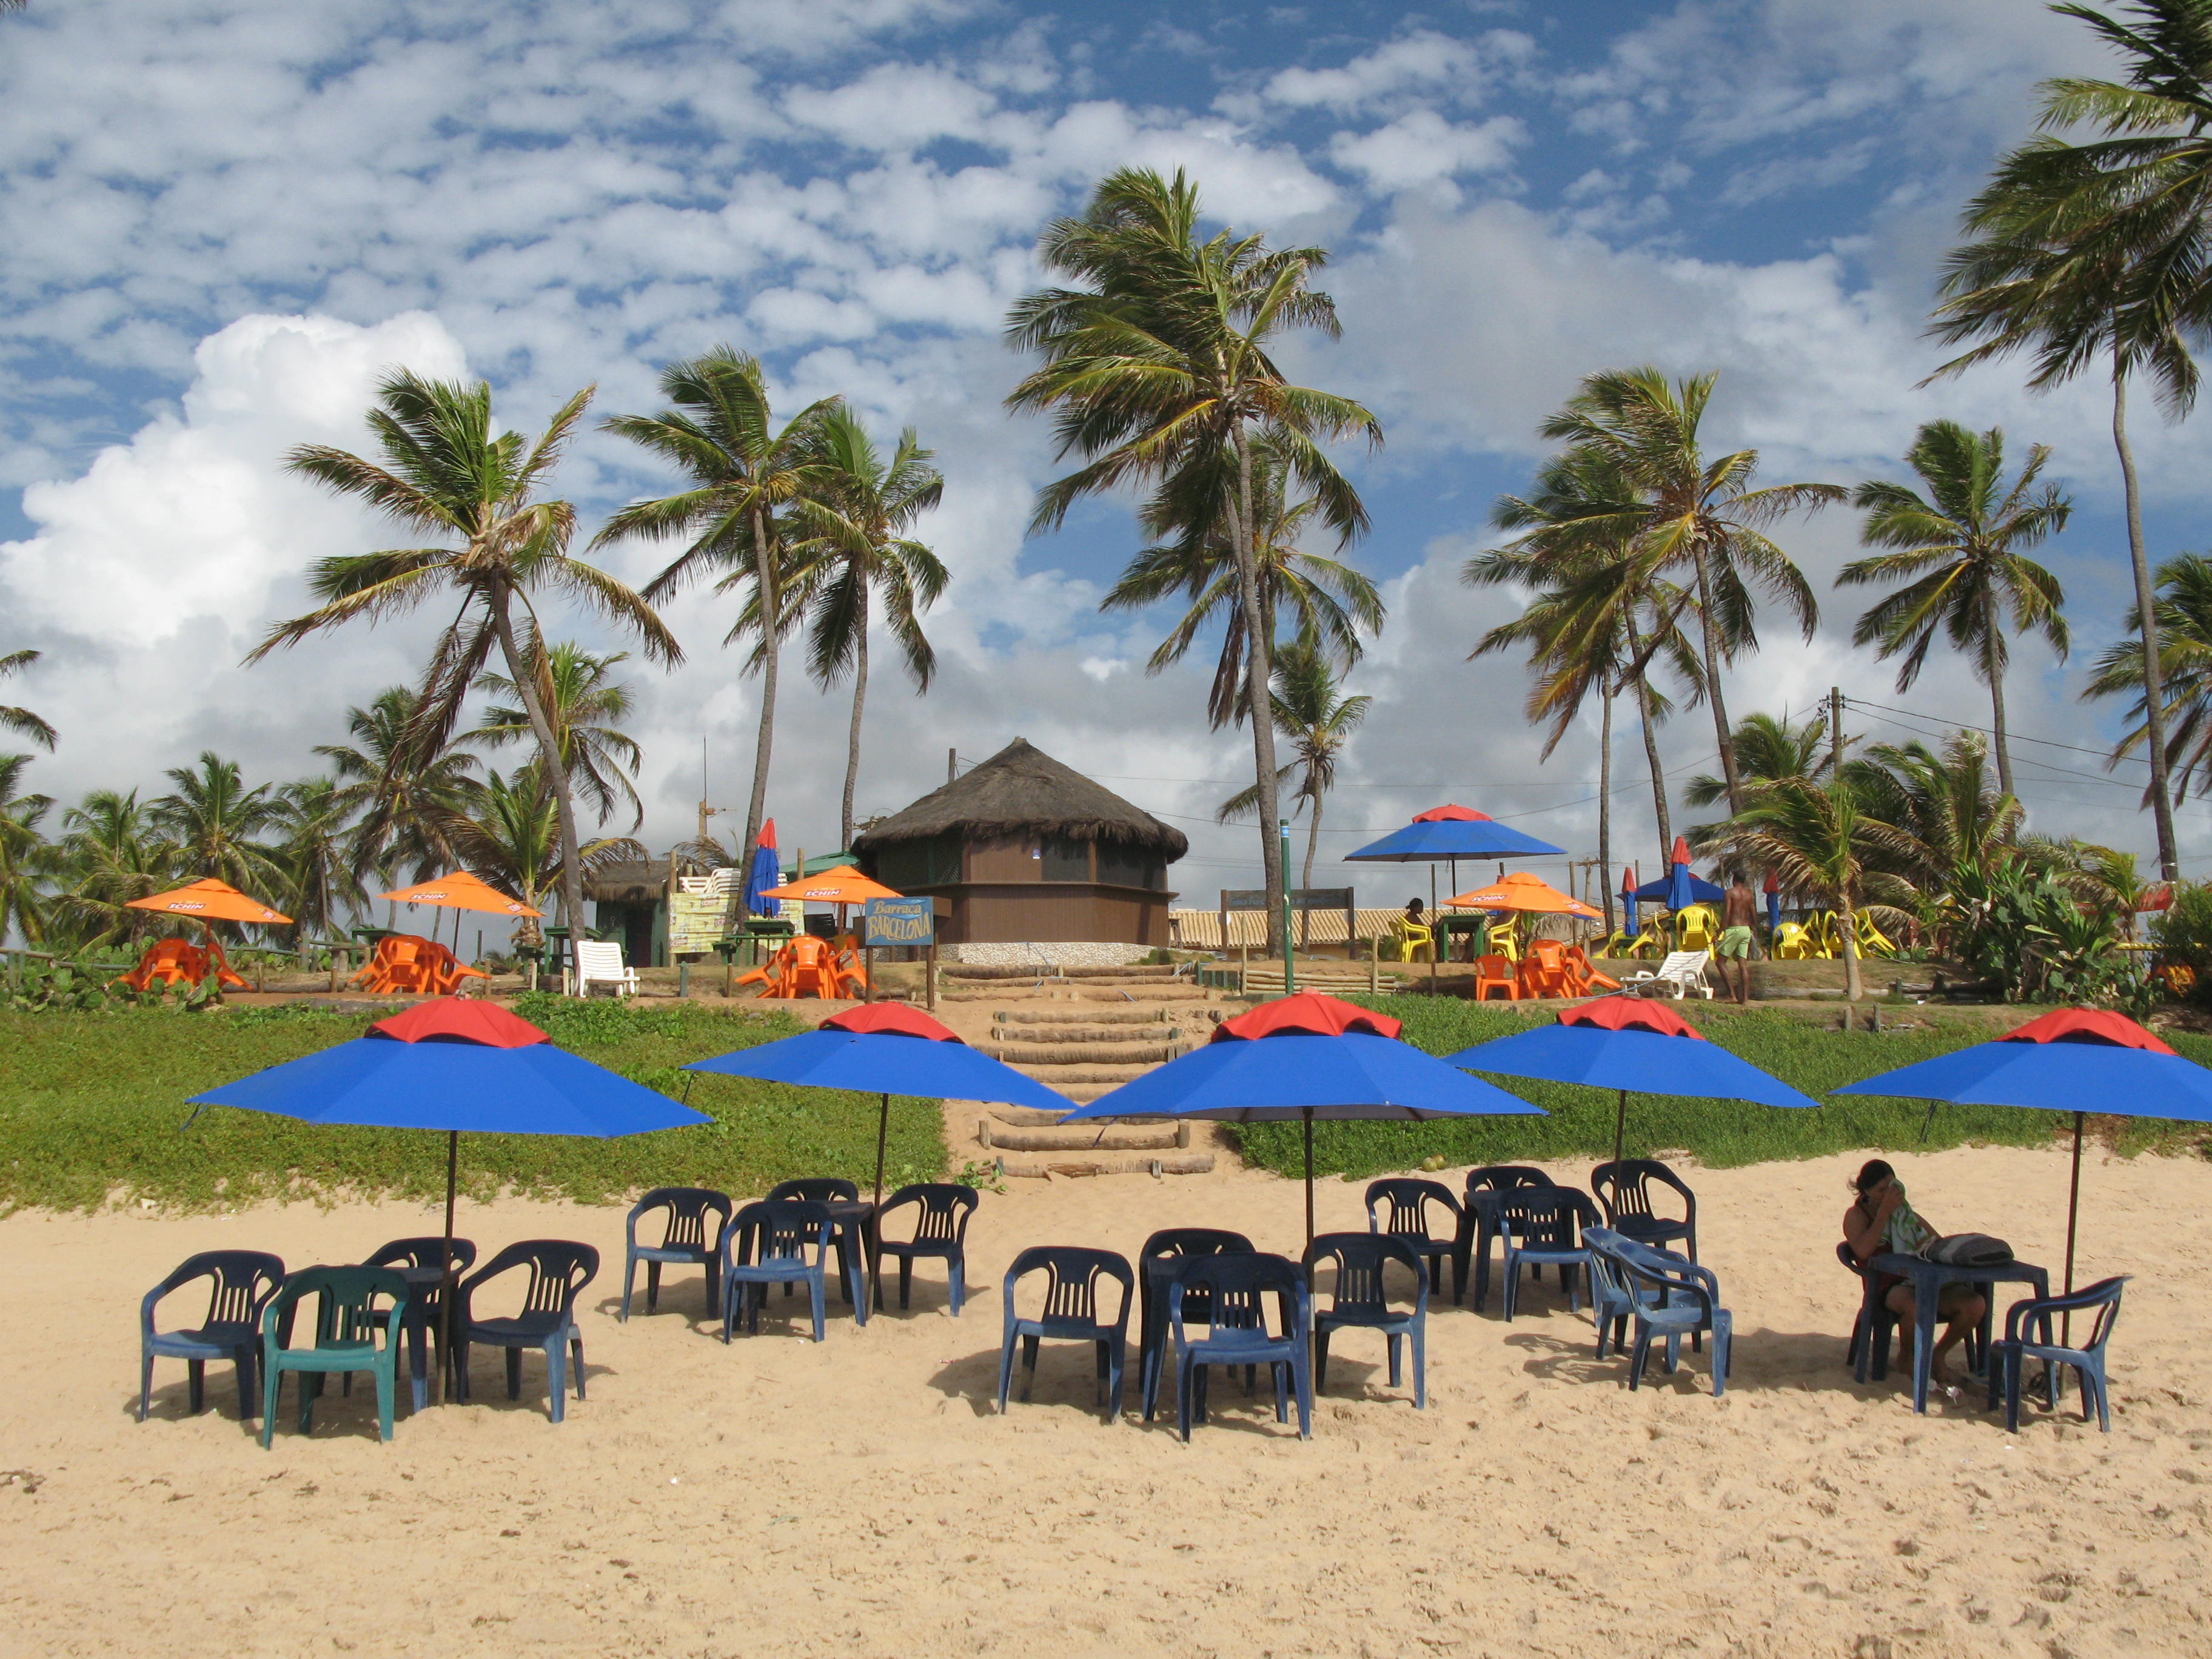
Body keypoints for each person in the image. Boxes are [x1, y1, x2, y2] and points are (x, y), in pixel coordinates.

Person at [1842, 1159, 1988, 1392]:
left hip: (1922, 1280)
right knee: (1916, 1306)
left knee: (1975, 1304)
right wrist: (1884, 1214)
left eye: (1892, 1187)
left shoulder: (1907, 1217)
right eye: (1881, 1190)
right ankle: (1906, 1358)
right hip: (1888, 1285)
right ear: (1866, 1191)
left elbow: (1938, 1245)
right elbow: (1863, 1251)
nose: (1888, 1194)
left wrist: (1921, 1242)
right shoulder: (1856, 1216)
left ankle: (1939, 1354)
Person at [1717, 871, 1757, 1004]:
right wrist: (1753, 927)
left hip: (1734, 929)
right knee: (1743, 964)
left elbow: (1727, 912)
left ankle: (1731, 995)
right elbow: (1753, 912)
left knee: (1720, 962)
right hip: (1746, 929)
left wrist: (1720, 931)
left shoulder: (1730, 893)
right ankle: (1745, 999)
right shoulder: (1749, 894)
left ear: (1734, 879)